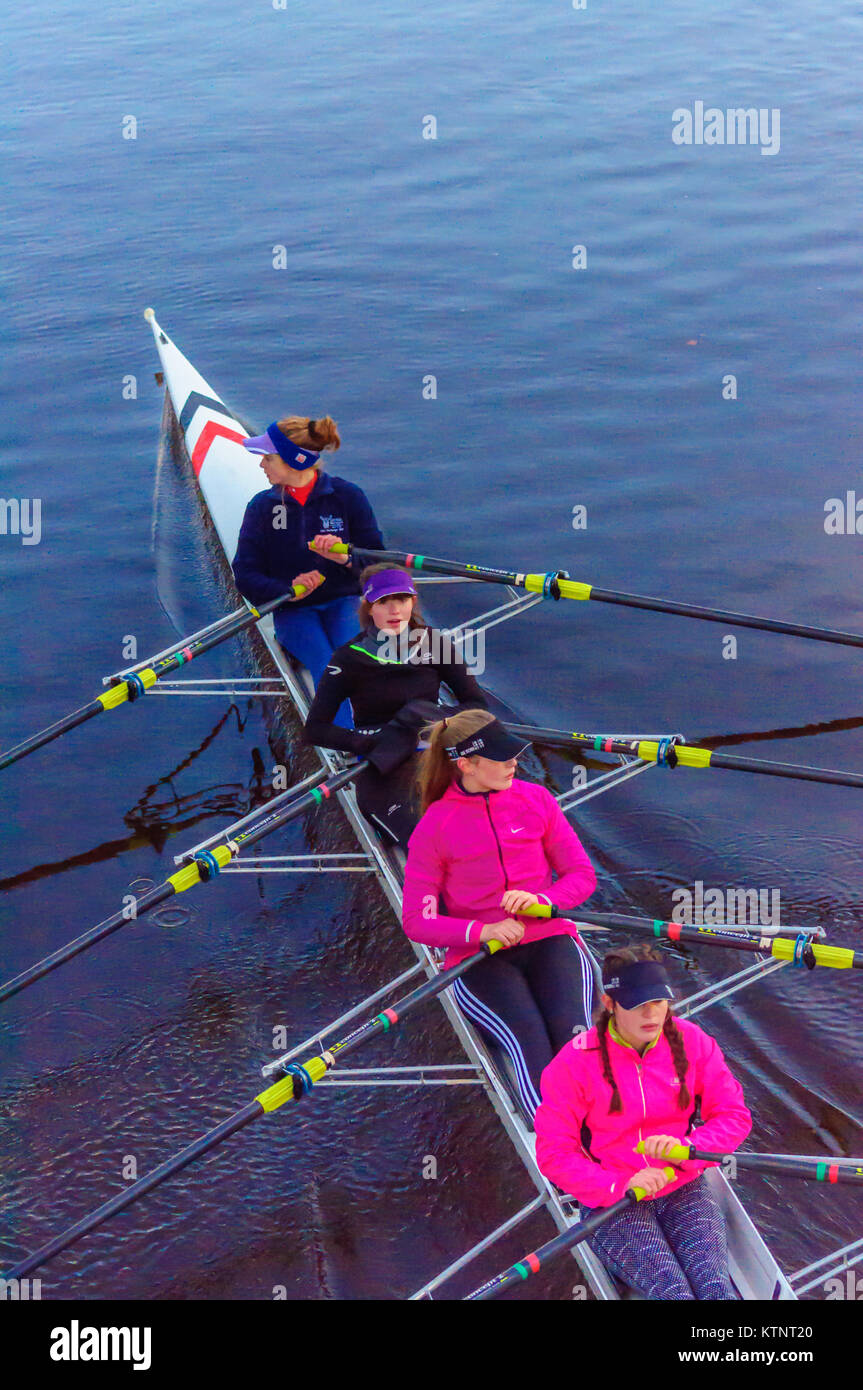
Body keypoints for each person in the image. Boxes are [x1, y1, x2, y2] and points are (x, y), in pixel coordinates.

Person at [401, 708, 597, 1120]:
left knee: (575, 1039)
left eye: (513, 755)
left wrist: (546, 902)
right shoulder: (435, 827)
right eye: (501, 758)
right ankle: (559, 1155)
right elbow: (419, 923)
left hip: (548, 939)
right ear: (466, 765)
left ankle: (609, 1139)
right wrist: (482, 929)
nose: (514, 763)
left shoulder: (536, 799)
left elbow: (581, 875)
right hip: (479, 958)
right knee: (529, 1042)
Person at [534, 945, 751, 1300]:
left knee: (716, 1291)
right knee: (673, 1294)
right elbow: (554, 1155)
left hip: (680, 1181)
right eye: (637, 1004)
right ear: (610, 1003)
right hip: (612, 1198)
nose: (652, 1014)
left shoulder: (694, 1042)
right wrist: (618, 1184)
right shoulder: (573, 1064)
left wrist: (690, 1150)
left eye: (659, 1002)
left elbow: (733, 1115)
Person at [303, 564, 489, 848]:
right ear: (368, 608)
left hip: (436, 749)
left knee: (492, 830)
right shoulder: (349, 658)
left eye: (401, 599)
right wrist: (368, 743)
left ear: (412, 602)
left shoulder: (434, 643)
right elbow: (316, 730)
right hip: (384, 762)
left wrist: (436, 722)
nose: (394, 610)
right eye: (383, 602)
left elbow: (476, 705)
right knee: (432, 847)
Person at [231, 416, 383, 722]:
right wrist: (287, 591)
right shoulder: (262, 508)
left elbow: (379, 565)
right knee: (329, 666)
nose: (261, 465)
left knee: (354, 662)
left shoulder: (347, 497)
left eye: (268, 459)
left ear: (294, 462)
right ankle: (347, 749)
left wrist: (347, 559)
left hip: (344, 602)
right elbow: (245, 575)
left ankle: (383, 732)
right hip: (292, 609)